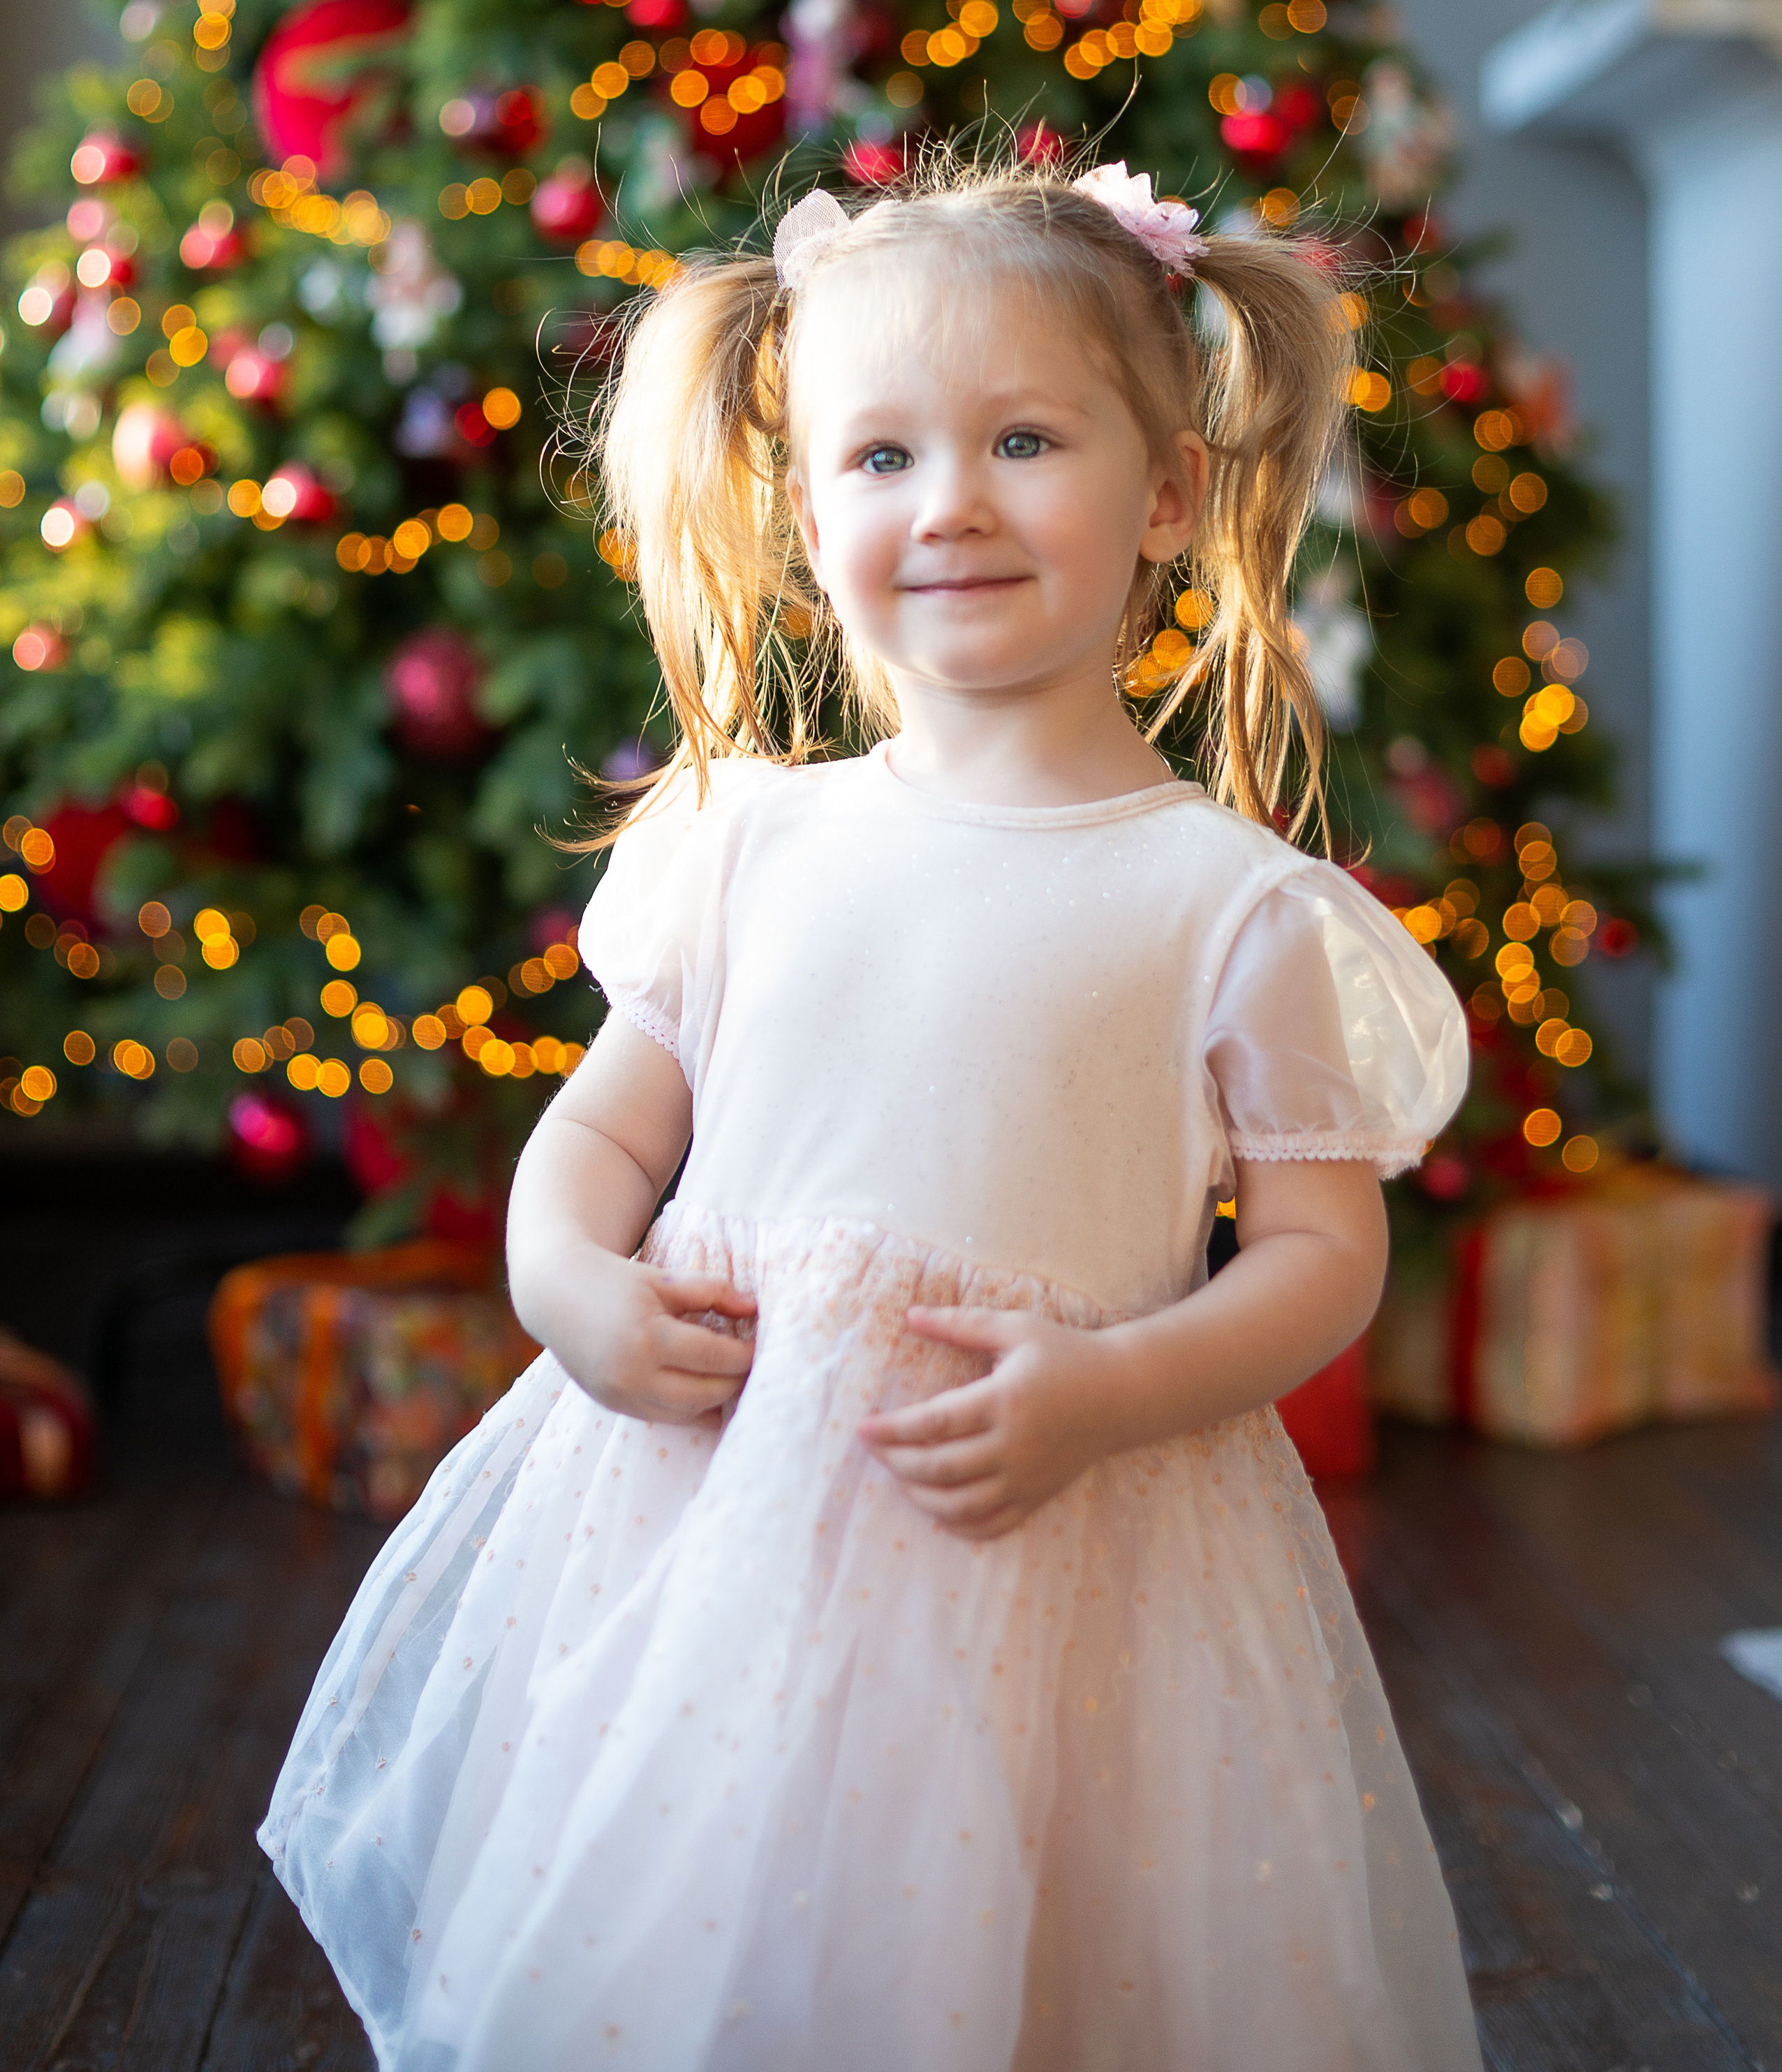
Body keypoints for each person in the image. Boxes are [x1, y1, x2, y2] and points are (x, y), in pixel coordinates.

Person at [261, 154, 1482, 2072]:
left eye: (1023, 438)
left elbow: (1328, 1256)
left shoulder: (1222, 907)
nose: (954, 504)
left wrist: (1116, 1386)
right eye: (884, 457)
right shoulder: (743, 842)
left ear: (1167, 492)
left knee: (1031, 1961)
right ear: (806, 505)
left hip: (1058, 1543)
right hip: (708, 1540)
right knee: (704, 1944)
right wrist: (563, 1276)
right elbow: (599, 1136)